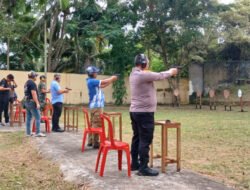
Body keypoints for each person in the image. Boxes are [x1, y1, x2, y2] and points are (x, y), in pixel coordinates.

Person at [129, 54, 178, 176]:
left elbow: (150, 73)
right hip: (144, 113)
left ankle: (134, 164)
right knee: (145, 140)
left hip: (135, 112)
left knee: (137, 138)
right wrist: (171, 71)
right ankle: (143, 168)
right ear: (144, 63)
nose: (148, 65)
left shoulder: (134, 74)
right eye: (147, 62)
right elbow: (160, 75)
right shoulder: (142, 75)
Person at [86, 66, 118, 149]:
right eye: (95, 72)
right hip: (97, 106)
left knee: (93, 123)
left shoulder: (91, 81)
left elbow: (103, 85)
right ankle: (96, 143)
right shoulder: (92, 81)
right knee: (97, 124)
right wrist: (112, 78)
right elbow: (104, 81)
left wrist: (112, 81)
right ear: (92, 73)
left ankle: (90, 141)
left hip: (95, 106)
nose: (97, 73)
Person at [24, 71, 46, 137]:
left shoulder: (26, 83)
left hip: (27, 102)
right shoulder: (32, 83)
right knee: (38, 117)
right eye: (36, 76)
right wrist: (37, 103)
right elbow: (34, 93)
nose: (36, 77)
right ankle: (38, 132)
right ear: (33, 76)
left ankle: (28, 133)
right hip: (32, 102)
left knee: (28, 118)